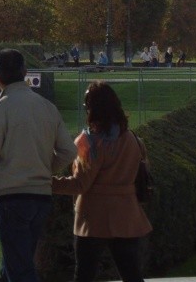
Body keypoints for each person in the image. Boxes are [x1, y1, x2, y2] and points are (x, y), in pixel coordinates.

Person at [0, 49, 77, 282]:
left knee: (19, 270)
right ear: (24, 72)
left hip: (11, 198)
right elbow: (69, 151)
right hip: (41, 198)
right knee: (13, 265)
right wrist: (44, 169)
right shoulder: (46, 107)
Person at [52, 81, 152, 282]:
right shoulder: (133, 139)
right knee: (132, 274)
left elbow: (80, 184)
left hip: (93, 217)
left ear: (90, 108)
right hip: (126, 214)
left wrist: (45, 182)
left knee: (84, 275)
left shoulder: (88, 142)